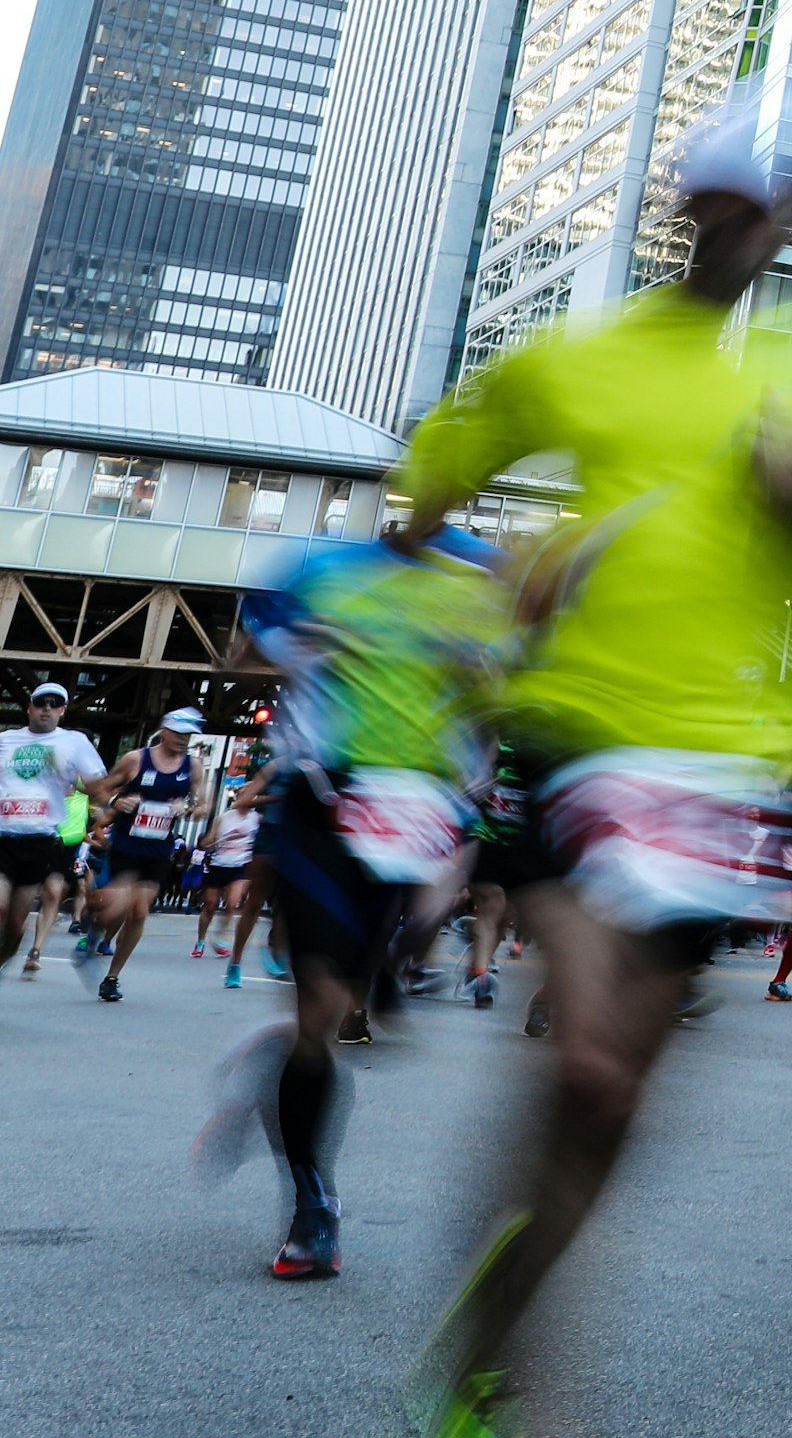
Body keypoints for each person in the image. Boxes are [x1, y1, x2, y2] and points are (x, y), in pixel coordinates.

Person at [393, 103, 792, 1433]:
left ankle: (493, 1333)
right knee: (589, 1070)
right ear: (685, 214)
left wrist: (790, 498)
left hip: (714, 781)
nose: (727, 227)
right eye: (708, 204)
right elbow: (426, 486)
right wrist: (489, 587)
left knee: (612, 1110)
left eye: (752, 208)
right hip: (575, 740)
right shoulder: (582, 360)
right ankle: (501, 1356)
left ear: (778, 227)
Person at [237, 530, 509, 1279]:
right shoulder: (325, 565)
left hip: (420, 806)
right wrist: (316, 638)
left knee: (351, 1008)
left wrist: (479, 672)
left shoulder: (482, 573)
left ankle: (300, 1045)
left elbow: (508, 693)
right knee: (323, 1005)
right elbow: (244, 649)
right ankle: (311, 1203)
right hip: (325, 795)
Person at [82, 704, 210, 1001]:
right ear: (164, 731)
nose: (183, 739)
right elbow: (99, 790)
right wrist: (117, 802)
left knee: (139, 911)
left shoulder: (193, 767)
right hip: (127, 844)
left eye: (188, 735)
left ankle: (112, 977)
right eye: (178, 733)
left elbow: (204, 807)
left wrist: (187, 809)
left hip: (158, 849)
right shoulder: (136, 759)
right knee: (116, 906)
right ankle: (93, 924)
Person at [2, 683, 108, 979]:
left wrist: (110, 798)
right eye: (40, 703)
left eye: (54, 704)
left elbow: (99, 789)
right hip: (3, 835)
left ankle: (6, 958)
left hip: (40, 840)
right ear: (29, 707)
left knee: (15, 923)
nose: (46, 708)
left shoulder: (73, 743)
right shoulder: (6, 740)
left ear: (62, 711)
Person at [195, 780, 262, 974]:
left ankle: (221, 936)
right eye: (246, 794)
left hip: (241, 866)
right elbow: (208, 841)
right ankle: (200, 940)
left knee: (233, 903)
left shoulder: (256, 819)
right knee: (209, 905)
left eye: (254, 795)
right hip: (219, 864)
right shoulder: (223, 818)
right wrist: (211, 842)